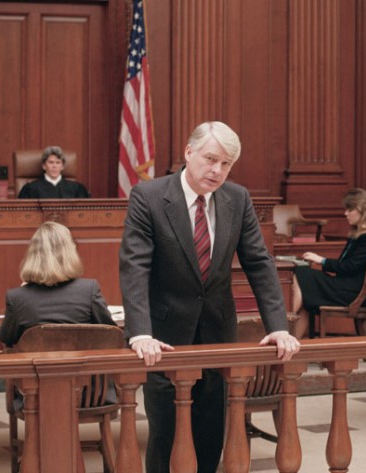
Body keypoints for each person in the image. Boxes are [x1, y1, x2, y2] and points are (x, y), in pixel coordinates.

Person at [118, 121, 300, 473]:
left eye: (226, 163)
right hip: (164, 339)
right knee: (165, 436)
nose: (217, 171)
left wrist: (278, 326)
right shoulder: (149, 196)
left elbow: (260, 264)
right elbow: (134, 267)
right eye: (211, 159)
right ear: (189, 153)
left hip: (218, 334)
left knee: (210, 434)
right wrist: (140, 332)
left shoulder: (237, 198)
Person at [0, 221, 115, 347]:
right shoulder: (88, 290)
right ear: (70, 252)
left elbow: (7, 338)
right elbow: (110, 332)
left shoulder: (17, 297)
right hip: (80, 365)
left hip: (37, 365)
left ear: (33, 255)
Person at [291, 188, 366, 337]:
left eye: (350, 209)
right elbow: (344, 265)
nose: (345, 213)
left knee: (302, 273)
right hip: (345, 286)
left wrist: (321, 260)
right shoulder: (357, 235)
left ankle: (286, 319)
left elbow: (349, 267)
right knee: (305, 299)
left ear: (364, 210)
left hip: (352, 292)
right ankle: (290, 346)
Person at [17, 146, 90, 199]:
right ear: (44, 166)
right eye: (51, 162)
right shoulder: (30, 188)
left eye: (58, 163)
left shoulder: (77, 188)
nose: (54, 166)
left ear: (62, 166)